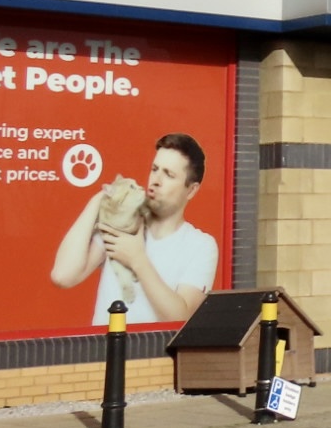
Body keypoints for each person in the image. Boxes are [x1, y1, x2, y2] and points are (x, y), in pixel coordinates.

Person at [51, 134, 218, 324]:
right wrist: (98, 200)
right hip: (105, 351)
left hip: (155, 353)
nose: (156, 180)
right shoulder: (121, 224)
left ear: (192, 190)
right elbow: (63, 276)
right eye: (155, 169)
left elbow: (181, 318)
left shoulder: (200, 245)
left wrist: (137, 260)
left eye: (169, 175)